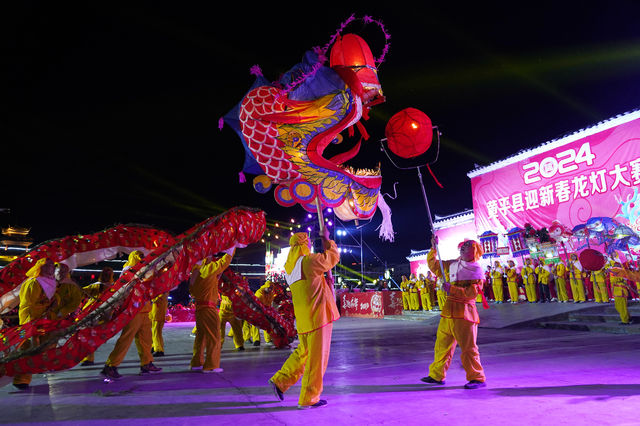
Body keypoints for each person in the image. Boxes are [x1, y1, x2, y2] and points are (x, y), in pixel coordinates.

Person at [269, 226, 340, 409]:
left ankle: (280, 381)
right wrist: (328, 240)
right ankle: (309, 398)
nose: (310, 245)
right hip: (318, 317)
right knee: (317, 361)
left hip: (304, 320)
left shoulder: (289, 268)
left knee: (303, 354)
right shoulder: (307, 261)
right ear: (302, 244)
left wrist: (325, 282)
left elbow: (311, 284)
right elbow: (332, 258)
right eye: (308, 242)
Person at [421, 237, 487, 390]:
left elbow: (471, 294)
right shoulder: (452, 265)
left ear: (475, 251)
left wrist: (452, 289)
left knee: (469, 348)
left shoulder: (476, 270)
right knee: (441, 346)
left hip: (465, 314)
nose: (463, 247)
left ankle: (477, 377)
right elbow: (434, 265)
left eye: (468, 246)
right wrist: (433, 248)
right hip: (448, 312)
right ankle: (437, 375)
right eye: (463, 245)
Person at [101, 251, 162, 380]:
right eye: (138, 256)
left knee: (146, 340)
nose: (141, 258)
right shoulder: (128, 272)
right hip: (133, 310)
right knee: (126, 339)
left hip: (144, 310)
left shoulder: (142, 270)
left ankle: (147, 364)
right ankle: (110, 366)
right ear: (133, 257)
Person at [12, 258, 57, 390]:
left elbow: (52, 298)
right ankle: (21, 379)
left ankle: (36, 367)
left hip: (44, 321)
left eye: (52, 266)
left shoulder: (50, 282)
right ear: (40, 268)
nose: (51, 268)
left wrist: (55, 302)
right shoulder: (34, 282)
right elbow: (28, 305)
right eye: (47, 266)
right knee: (26, 348)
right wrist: (31, 324)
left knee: (43, 346)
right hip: (31, 321)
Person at [189, 248, 235, 373]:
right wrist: (232, 249)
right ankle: (211, 365)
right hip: (209, 308)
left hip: (200, 308)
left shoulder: (195, 273)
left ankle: (197, 363)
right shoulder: (206, 269)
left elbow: (197, 289)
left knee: (201, 337)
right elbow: (223, 263)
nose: (211, 257)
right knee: (214, 336)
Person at [80, 266, 114, 366]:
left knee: (92, 336)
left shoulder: (114, 287)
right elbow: (82, 293)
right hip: (91, 315)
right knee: (89, 335)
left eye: (109, 273)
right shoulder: (95, 286)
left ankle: (89, 358)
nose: (107, 275)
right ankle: (88, 358)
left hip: (104, 315)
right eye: (105, 273)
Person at [249, 281, 277, 346]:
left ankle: (268, 339)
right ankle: (256, 340)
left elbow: (270, 303)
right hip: (257, 310)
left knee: (267, 324)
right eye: (269, 288)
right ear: (266, 286)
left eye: (271, 288)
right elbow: (256, 303)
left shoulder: (270, 293)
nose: (270, 289)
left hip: (265, 310)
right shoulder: (259, 293)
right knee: (255, 325)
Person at [150, 292, 169, 356]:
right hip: (158, 314)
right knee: (156, 332)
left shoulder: (162, 292)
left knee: (156, 332)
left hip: (157, 314)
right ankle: (155, 346)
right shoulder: (164, 291)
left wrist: (151, 297)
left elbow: (156, 299)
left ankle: (158, 349)